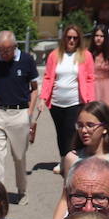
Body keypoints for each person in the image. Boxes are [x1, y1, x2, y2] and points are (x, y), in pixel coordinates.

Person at [55, 102, 109, 219]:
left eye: (90, 125)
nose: (84, 130)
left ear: (105, 128)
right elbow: (64, 199)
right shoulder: (71, 158)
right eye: (80, 125)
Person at [0, 30, 41, 200]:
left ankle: (21, 191)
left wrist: (29, 112)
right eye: (0, 50)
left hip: (19, 113)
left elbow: (35, 88)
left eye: (7, 50)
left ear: (15, 47)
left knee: (19, 156)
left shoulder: (27, 60)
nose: (3, 54)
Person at [40, 24, 96, 159]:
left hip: (75, 102)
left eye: (75, 38)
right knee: (60, 132)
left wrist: (90, 101)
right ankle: (63, 159)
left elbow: (90, 79)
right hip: (56, 102)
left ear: (79, 40)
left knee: (71, 131)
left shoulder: (85, 55)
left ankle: (73, 159)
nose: (72, 41)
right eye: (69, 37)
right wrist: (43, 98)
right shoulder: (54, 55)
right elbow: (48, 77)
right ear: (64, 38)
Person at [88, 24, 109, 108]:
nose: (98, 38)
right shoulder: (88, 54)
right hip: (92, 88)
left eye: (102, 36)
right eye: (96, 35)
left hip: (106, 88)